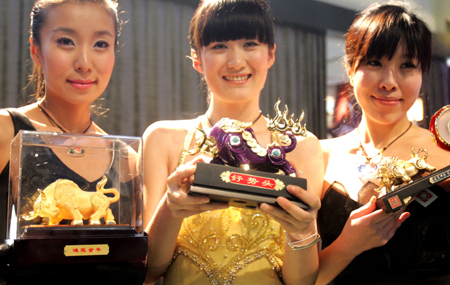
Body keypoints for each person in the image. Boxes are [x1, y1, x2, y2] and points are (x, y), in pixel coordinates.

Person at [142, 0, 323, 284]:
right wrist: (171, 207)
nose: (236, 61)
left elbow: (302, 282)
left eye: (250, 43)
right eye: (219, 46)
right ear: (197, 59)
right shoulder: (163, 139)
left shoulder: (303, 146)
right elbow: (148, 270)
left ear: (270, 54)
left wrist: (303, 231)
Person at [0, 0, 139, 283]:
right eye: (66, 41)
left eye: (101, 44)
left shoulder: (126, 157)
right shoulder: (6, 130)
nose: (85, 64)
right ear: (36, 50)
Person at [318, 2, 450, 284]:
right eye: (375, 62)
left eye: (407, 66)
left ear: (422, 73)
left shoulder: (445, 153)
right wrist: (347, 245)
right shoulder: (319, 156)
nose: (389, 82)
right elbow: (299, 280)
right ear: (350, 68)